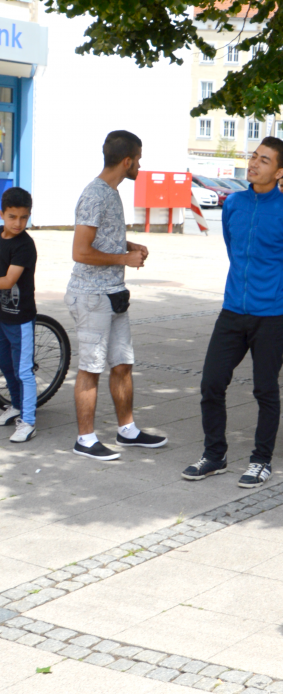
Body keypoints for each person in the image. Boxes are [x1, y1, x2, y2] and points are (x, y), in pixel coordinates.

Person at [182, 137, 283, 488]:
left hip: (270, 317)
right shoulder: (235, 204)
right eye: (254, 156)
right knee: (211, 383)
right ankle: (215, 455)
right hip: (231, 312)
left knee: (264, 389)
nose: (255, 163)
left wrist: (278, 293)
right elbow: (233, 247)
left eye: (265, 160)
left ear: (280, 170)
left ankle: (261, 460)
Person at [66, 130, 165, 461]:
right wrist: (124, 258)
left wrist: (128, 246)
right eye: (139, 158)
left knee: (123, 364)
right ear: (127, 161)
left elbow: (101, 240)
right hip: (92, 296)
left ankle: (128, 431)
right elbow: (80, 251)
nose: (140, 164)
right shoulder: (95, 195)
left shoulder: (111, 192)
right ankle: (85, 439)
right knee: (91, 368)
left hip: (113, 293)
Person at [0, 187, 38, 443]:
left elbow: (9, 280)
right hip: (2, 316)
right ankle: (15, 406)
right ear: (2, 214)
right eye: (12, 217)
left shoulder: (25, 245)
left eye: (23, 217)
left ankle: (29, 420)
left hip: (20, 317)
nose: (18, 223)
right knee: (6, 365)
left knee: (23, 371)